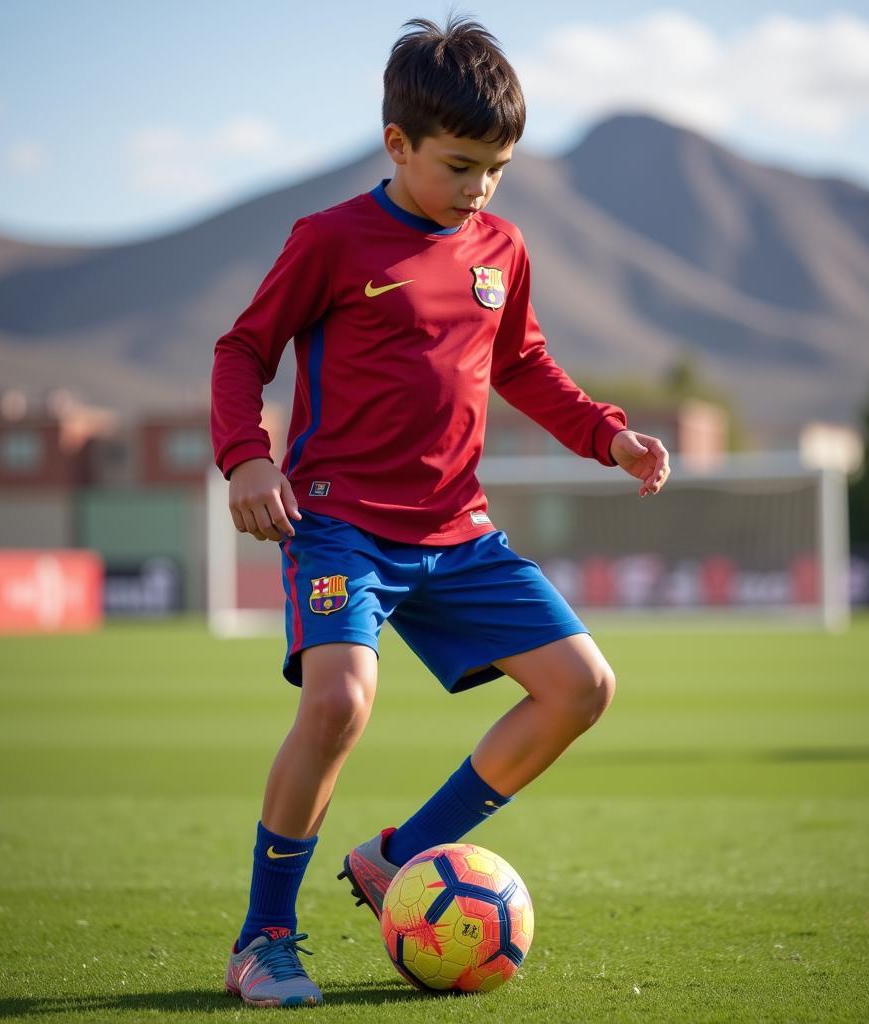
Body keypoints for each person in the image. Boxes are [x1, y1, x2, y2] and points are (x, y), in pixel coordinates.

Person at [211, 15, 670, 1009]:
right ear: (396, 144)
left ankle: (403, 856)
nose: (478, 189)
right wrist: (246, 457)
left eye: (496, 169)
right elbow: (242, 350)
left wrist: (608, 434)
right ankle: (264, 938)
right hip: (338, 523)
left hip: (458, 530)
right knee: (337, 702)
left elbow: (522, 365)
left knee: (581, 687)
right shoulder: (329, 239)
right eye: (459, 164)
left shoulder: (501, 245)